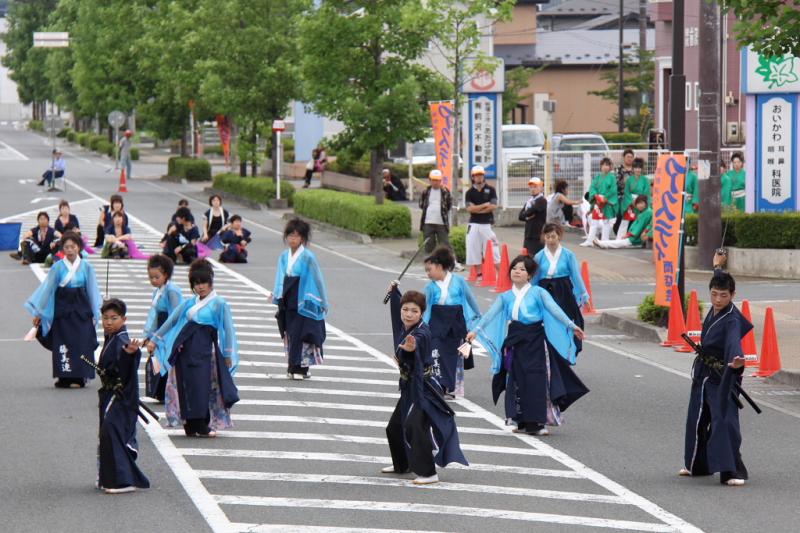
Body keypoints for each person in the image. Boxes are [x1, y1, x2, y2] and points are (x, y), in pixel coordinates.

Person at [467, 255, 588, 436]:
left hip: (536, 341)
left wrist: (571, 326)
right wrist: (475, 331)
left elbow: (554, 309)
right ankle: (517, 418)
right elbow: (490, 315)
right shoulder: (505, 296)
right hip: (514, 341)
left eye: (522, 269)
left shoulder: (538, 293)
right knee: (515, 379)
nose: (517, 271)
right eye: (515, 268)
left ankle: (537, 422)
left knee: (536, 380)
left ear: (530, 275)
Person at [382, 282, 468, 485]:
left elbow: (416, 343)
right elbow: (396, 308)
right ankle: (403, 465)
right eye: (405, 309)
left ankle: (429, 473)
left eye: (414, 311)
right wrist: (394, 292)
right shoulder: (403, 323)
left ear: (422, 313)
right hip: (409, 387)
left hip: (425, 388)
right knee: (394, 427)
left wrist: (409, 349)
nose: (408, 314)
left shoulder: (422, 332)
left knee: (414, 425)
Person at [147, 259, 239, 437]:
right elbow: (172, 320)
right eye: (196, 284)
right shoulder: (190, 302)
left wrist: (228, 354)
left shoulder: (219, 303)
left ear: (211, 282)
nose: (200, 287)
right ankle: (189, 423)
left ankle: (203, 423)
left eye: (203, 282)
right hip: (185, 351)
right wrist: (155, 339)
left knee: (203, 387)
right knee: (185, 385)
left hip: (206, 352)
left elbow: (228, 329)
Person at [680, 270, 751, 486]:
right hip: (704, 372)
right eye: (714, 294)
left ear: (732, 295)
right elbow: (718, 272)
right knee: (698, 417)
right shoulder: (715, 311)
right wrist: (718, 264)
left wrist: (737, 360)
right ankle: (698, 465)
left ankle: (732, 471)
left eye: (723, 296)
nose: (718, 300)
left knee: (724, 421)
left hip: (723, 373)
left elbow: (733, 343)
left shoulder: (732, 320)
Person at [25, 231, 101, 388]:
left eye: (73, 246)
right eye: (66, 247)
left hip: (81, 310)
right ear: (62, 249)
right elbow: (47, 289)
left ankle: (79, 377)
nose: (70, 250)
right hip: (62, 309)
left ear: (78, 247)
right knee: (63, 342)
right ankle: (64, 377)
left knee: (81, 342)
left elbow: (92, 291)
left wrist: (97, 313)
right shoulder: (57, 267)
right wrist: (40, 312)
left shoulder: (87, 267)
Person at [95, 298, 150, 494]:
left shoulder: (123, 340)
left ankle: (123, 480)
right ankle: (108, 478)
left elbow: (127, 367)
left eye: (114, 318)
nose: (109, 322)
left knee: (113, 432)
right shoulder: (112, 337)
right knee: (107, 434)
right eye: (105, 318)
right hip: (110, 394)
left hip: (121, 395)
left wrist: (129, 353)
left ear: (124, 319)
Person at [271, 218, 328, 380]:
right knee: (290, 332)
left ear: (302, 238)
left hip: (303, 298)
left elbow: (318, 279)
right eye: (290, 235)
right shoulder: (284, 256)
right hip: (288, 297)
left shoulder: (308, 257)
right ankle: (292, 366)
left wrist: (323, 301)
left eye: (296, 236)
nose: (292, 239)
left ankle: (300, 368)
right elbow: (279, 277)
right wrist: (277, 295)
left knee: (302, 333)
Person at [422, 246, 481, 398]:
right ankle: (438, 385)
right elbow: (425, 308)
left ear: (440, 266)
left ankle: (451, 388)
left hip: (456, 322)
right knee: (435, 352)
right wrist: (423, 326)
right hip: (437, 321)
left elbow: (470, 299)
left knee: (453, 355)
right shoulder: (430, 287)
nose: (428, 273)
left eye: (430, 269)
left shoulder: (459, 281)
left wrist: (478, 317)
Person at [533, 223, 589, 355]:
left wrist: (583, 295)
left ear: (559, 237)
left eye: (553, 236)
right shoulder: (539, 256)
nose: (550, 240)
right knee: (546, 321)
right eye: (547, 237)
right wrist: (531, 294)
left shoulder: (568, 255)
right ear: (543, 238)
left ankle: (566, 350)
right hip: (544, 289)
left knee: (567, 319)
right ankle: (549, 351)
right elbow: (535, 278)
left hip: (564, 290)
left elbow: (576, 275)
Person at [142, 255, 183, 403]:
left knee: (166, 360)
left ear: (166, 274)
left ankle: (168, 393)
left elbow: (175, 317)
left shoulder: (172, 291)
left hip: (170, 331)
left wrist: (158, 337)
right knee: (158, 360)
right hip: (160, 329)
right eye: (150, 277)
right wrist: (148, 335)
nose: (153, 280)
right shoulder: (158, 291)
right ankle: (160, 393)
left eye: (156, 277)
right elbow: (154, 315)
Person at [465, 165, 500, 278]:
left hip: (486, 224)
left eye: (481, 175)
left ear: (484, 176)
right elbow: (469, 209)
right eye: (476, 175)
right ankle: (479, 273)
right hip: (473, 223)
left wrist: (477, 209)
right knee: (473, 248)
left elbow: (493, 206)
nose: (479, 177)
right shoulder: (469, 192)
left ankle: (500, 273)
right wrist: (484, 205)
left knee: (492, 249)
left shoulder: (491, 190)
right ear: (473, 177)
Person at [580, 157, 617, 246]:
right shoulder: (597, 177)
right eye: (604, 165)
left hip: (607, 201)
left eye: (607, 165)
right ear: (601, 166)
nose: (605, 167)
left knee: (606, 221)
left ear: (610, 167)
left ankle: (604, 241)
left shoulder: (612, 177)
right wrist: (596, 196)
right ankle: (590, 240)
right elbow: (592, 187)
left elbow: (613, 190)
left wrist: (605, 198)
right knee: (594, 221)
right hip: (597, 200)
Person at [419, 169, 453, 253]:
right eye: (433, 180)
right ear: (430, 180)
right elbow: (421, 204)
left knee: (445, 244)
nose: (435, 182)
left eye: (437, 180)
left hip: (441, 222)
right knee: (429, 244)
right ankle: (430, 263)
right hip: (428, 222)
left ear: (440, 180)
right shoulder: (426, 191)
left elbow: (449, 205)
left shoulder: (445, 192)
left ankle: (449, 263)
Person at [620, 157, 652, 234]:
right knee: (625, 220)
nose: (637, 170)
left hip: (641, 203)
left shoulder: (645, 180)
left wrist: (640, 203)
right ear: (633, 169)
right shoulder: (629, 179)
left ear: (642, 169)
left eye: (639, 168)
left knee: (641, 220)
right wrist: (631, 202)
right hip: (630, 203)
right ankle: (620, 237)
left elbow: (646, 193)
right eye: (636, 168)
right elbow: (627, 192)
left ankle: (638, 237)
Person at [519, 177, 548, 257]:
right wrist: (527, 216)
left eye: (535, 187)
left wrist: (527, 214)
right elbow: (520, 216)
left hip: (537, 236)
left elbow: (529, 211)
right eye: (531, 187)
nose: (532, 189)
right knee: (526, 258)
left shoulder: (542, 200)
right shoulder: (529, 201)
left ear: (541, 188)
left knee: (536, 259)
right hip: (528, 235)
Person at [614, 149, 635, 234]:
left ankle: (630, 231)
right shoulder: (619, 169)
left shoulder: (635, 169)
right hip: (621, 195)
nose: (629, 159)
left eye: (631, 157)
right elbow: (618, 182)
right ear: (624, 157)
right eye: (628, 157)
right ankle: (617, 229)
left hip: (634, 195)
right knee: (621, 212)